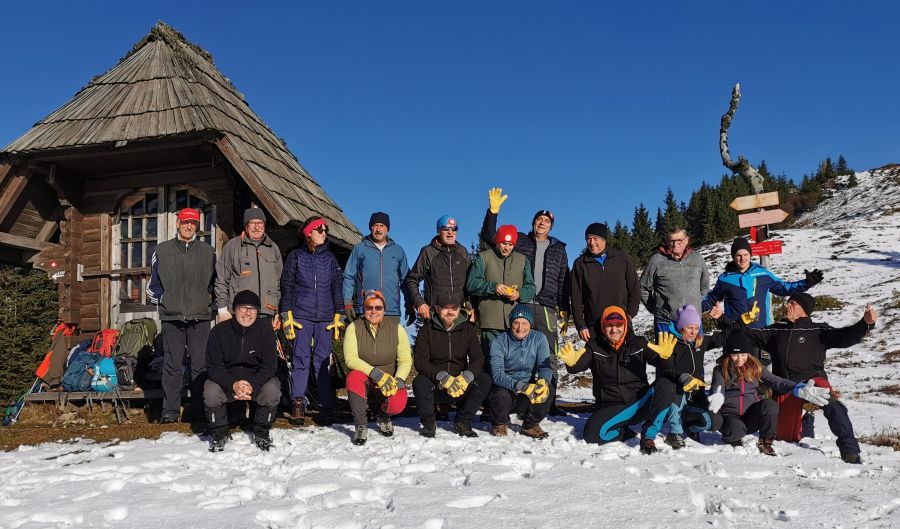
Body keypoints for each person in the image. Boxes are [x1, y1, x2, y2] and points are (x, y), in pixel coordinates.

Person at [724, 293, 877, 463]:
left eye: (792, 303)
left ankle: (850, 451)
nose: (787, 306)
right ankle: (807, 424)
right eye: (787, 303)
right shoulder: (776, 330)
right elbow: (743, 335)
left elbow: (845, 336)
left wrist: (865, 324)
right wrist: (732, 320)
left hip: (813, 379)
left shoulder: (818, 330)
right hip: (786, 385)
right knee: (785, 438)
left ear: (803, 309)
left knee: (833, 406)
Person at [479, 188, 571, 415]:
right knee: (516, 350)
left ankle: (549, 402)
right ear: (533, 222)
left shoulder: (559, 249)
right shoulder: (520, 240)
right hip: (521, 303)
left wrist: (564, 308)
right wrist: (493, 212)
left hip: (547, 307)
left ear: (551, 226)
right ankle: (509, 399)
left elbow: (563, 280)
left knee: (548, 354)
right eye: (539, 219)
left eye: (547, 221)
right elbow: (490, 237)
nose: (542, 223)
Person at [558, 306, 675, 454]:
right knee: (592, 435)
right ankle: (624, 432)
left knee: (665, 384)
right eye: (609, 325)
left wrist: (666, 358)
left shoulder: (639, 343)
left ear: (625, 325)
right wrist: (571, 364)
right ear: (603, 326)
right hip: (611, 407)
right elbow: (576, 366)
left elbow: (663, 364)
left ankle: (648, 435)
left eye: (618, 325)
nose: (614, 330)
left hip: (639, 404)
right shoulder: (594, 347)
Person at [707, 329, 830, 456]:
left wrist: (798, 388)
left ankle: (765, 442)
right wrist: (718, 395)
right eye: (735, 355)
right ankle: (733, 436)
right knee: (736, 430)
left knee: (770, 405)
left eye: (743, 354)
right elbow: (717, 386)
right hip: (730, 416)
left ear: (748, 353)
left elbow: (776, 381)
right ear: (728, 354)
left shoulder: (755, 367)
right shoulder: (721, 370)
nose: (740, 359)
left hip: (750, 416)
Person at [147, 207, 216, 424]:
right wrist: (166, 300)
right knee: (172, 365)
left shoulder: (208, 252)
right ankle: (170, 411)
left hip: (200, 317)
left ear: (197, 226)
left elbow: (217, 284)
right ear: (178, 223)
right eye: (185, 222)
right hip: (172, 317)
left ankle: (199, 411)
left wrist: (209, 304)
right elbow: (152, 286)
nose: (189, 226)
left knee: (200, 366)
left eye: (193, 223)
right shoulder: (162, 251)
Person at [280, 216, 345, 422]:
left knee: (323, 360)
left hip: (325, 317)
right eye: (320, 230)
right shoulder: (296, 256)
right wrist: (286, 313)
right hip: (301, 315)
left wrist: (340, 312)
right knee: (300, 358)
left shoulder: (330, 259)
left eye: (326, 230)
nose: (324, 233)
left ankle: (325, 404)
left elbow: (337, 287)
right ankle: (298, 403)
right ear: (309, 233)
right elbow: (287, 285)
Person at [203, 290, 281, 452]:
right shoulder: (219, 332)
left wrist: (253, 385)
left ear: (257, 312)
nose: (248, 313)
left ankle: (261, 432)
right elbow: (214, 366)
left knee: (272, 389)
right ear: (234, 310)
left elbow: (270, 366)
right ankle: (219, 433)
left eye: (252, 309)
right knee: (211, 391)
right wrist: (233, 384)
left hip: (255, 380)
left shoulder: (266, 331)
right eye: (243, 308)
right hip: (228, 380)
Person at [412, 291, 492, 438]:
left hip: (460, 384)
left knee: (484, 379)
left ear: (459, 309)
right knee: (419, 382)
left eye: (454, 308)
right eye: (445, 308)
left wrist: (466, 376)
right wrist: (440, 376)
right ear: (437, 309)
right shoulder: (427, 330)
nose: (450, 312)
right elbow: (420, 361)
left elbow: (478, 358)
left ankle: (463, 421)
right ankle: (429, 422)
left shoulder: (467, 330)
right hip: (437, 384)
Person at [703, 236, 823, 330]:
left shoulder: (762, 274)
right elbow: (711, 299)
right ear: (733, 257)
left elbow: (784, 288)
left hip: (761, 330)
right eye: (738, 255)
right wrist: (695, 307)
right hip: (734, 330)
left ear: (750, 255)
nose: (742, 259)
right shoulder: (724, 279)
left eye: (745, 254)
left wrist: (807, 283)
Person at [342, 290, 412, 445]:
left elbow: (405, 360)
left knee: (398, 403)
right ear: (364, 309)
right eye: (369, 307)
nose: (374, 311)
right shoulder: (354, 328)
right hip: (365, 379)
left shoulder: (396, 329)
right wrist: (375, 373)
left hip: (389, 381)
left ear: (384, 310)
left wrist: (399, 379)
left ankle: (383, 416)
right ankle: (361, 425)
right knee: (353, 377)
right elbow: (351, 359)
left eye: (378, 307)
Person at [658, 303, 726, 449]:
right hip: (676, 397)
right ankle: (674, 433)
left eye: (696, 328)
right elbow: (666, 369)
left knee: (715, 421)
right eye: (689, 327)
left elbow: (728, 335)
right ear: (681, 327)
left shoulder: (700, 342)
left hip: (696, 397)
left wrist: (721, 318)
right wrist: (682, 377)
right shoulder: (671, 343)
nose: (693, 332)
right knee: (675, 389)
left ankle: (690, 428)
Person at [487, 305, 553, 439]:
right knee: (499, 394)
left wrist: (543, 381)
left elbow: (545, 366)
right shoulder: (499, 341)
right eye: (516, 323)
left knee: (548, 389)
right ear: (510, 323)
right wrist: (520, 386)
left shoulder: (539, 338)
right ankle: (499, 423)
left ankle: (530, 424)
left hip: (528, 388)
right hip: (507, 387)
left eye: (524, 323)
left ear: (530, 324)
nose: (520, 328)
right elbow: (497, 375)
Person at [466, 224, 537, 346]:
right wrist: (493, 287)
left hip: (516, 322)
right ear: (497, 242)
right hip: (491, 322)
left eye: (510, 245)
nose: (507, 248)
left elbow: (531, 287)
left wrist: (519, 294)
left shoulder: (522, 260)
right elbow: (472, 284)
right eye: (504, 243)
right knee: (492, 356)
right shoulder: (484, 258)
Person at [571, 223, 640, 342]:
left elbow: (634, 287)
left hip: (620, 322)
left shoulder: (621, 258)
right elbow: (575, 297)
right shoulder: (580, 264)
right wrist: (581, 325)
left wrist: (629, 314)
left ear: (604, 239)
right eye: (588, 239)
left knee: (626, 353)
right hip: (594, 326)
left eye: (595, 238)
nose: (592, 242)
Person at [214, 207, 283, 323]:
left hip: (267, 313)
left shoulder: (273, 248)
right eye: (252, 223)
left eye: (260, 223)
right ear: (246, 226)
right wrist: (222, 309)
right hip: (241, 312)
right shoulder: (233, 246)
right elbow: (221, 278)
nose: (257, 227)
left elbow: (278, 283)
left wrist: (278, 311)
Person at [342, 212, 411, 325]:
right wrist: (348, 302)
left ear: (387, 229)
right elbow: (349, 276)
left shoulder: (398, 251)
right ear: (370, 227)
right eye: (375, 225)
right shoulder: (360, 249)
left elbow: (405, 280)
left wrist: (409, 304)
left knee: (390, 338)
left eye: (382, 226)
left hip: (391, 311)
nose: (378, 229)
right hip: (366, 309)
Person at [640, 227, 710, 333]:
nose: (675, 244)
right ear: (667, 241)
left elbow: (704, 285)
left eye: (679, 240)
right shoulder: (657, 260)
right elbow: (642, 287)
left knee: (695, 345)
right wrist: (655, 308)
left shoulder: (697, 258)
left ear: (686, 240)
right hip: (666, 322)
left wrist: (695, 304)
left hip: (693, 321)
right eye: (672, 241)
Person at [403, 215, 471, 322]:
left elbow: (472, 282)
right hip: (435, 316)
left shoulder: (463, 252)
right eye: (446, 229)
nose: (450, 232)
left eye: (454, 229)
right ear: (438, 231)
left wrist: (473, 306)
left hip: (460, 315)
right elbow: (412, 280)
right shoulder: (428, 252)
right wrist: (420, 303)